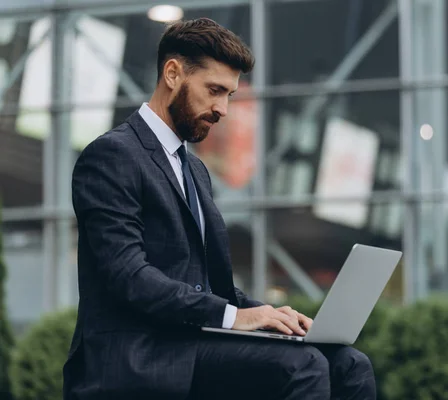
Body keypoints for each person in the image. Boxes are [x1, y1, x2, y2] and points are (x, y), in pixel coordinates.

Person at [63, 17, 375, 400]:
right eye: (215, 90)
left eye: (229, 94)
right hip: (139, 354)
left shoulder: (194, 168)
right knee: (303, 366)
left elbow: (213, 288)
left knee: (350, 363)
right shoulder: (112, 155)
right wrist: (234, 317)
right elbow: (128, 275)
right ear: (173, 73)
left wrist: (271, 315)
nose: (223, 108)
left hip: (193, 346)